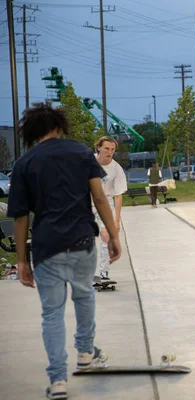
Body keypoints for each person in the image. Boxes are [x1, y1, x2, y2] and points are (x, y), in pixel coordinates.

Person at [7, 103, 122, 400]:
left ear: (33, 131)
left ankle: (58, 381)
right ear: (59, 126)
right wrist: (113, 236)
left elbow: (20, 217)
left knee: (52, 314)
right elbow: (99, 197)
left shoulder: (25, 163)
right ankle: (85, 352)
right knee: (84, 295)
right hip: (83, 241)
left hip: (47, 248)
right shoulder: (81, 153)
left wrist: (21, 260)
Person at [94, 136, 127, 280]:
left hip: (105, 204)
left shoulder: (116, 168)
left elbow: (118, 195)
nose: (110, 152)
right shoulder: (87, 162)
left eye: (112, 149)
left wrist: (117, 221)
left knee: (106, 236)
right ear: (98, 147)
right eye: (107, 148)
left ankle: (104, 272)